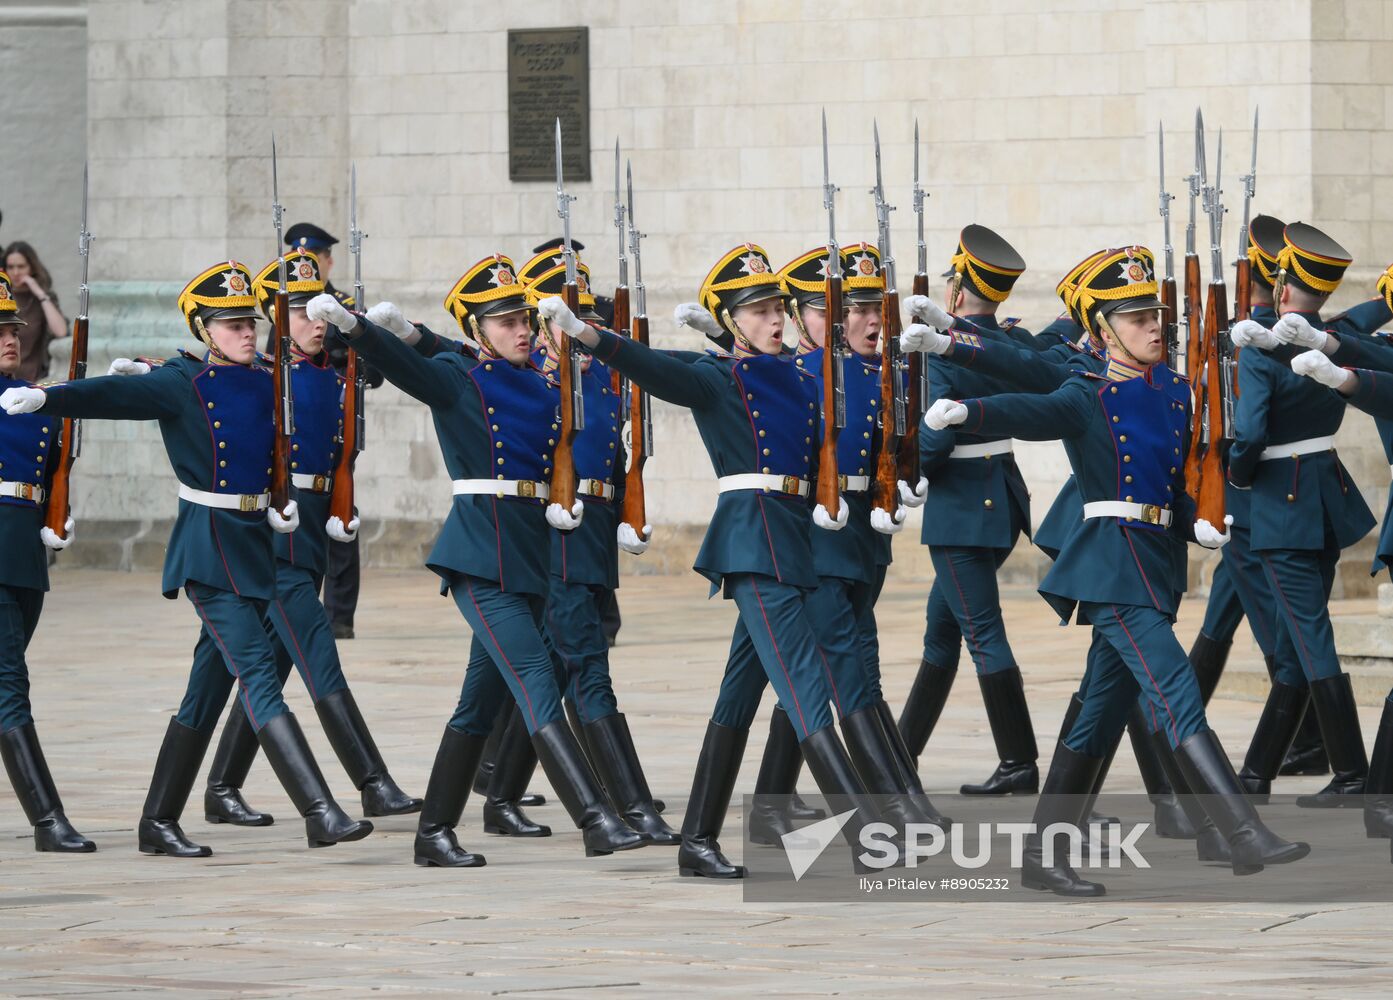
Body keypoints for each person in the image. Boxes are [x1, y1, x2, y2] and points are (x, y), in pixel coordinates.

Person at [922, 245, 1309, 895]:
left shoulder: (1174, 391)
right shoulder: (1086, 392)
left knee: (1096, 717)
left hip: (1156, 562)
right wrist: (968, 404)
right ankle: (1240, 831)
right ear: (1101, 330)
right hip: (1110, 564)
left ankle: (1043, 856)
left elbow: (1174, 483)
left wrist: (1199, 521)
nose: (1152, 326)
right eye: (1133, 319)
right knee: (1175, 689)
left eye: (1155, 314)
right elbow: (1031, 399)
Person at [538, 242, 911, 880]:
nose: (772, 320)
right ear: (732, 322)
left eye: (776, 309)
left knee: (737, 699)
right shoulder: (720, 379)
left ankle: (698, 841)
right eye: (756, 311)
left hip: (797, 540)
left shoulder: (801, 372)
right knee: (806, 687)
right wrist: (594, 340)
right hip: (752, 541)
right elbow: (656, 369)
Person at [1, 260, 374, 857]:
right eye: (230, 325)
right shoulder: (185, 382)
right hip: (208, 546)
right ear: (204, 330)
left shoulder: (266, 377)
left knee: (206, 691)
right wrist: (46, 398)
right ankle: (319, 809)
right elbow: (114, 396)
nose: (246, 333)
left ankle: (158, 820)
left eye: (249, 323)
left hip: (254, 543)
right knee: (257, 672)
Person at [307, 254, 650, 867]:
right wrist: (359, 329)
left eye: (523, 318)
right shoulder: (459, 382)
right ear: (476, 334)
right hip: (482, 557)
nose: (520, 330)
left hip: (534, 558)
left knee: (476, 708)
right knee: (539, 681)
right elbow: (408, 366)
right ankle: (596, 818)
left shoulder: (548, 383)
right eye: (502, 322)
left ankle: (434, 832)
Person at [190, 249, 420, 828]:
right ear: (274, 317)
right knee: (315, 648)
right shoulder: (265, 381)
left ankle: (219, 788)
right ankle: (372, 782)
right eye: (299, 313)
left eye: (321, 311)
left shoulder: (326, 373)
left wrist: (364, 336)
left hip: (313, 527)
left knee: (239, 671)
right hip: (273, 536)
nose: (316, 323)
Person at [0, 268, 94, 852]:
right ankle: (47, 819)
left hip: (26, 557)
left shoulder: (33, 401)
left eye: (12, 327)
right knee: (11, 685)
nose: (10, 337)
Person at [2, 242, 68, 382]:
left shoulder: (43, 298)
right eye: (11, 267)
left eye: (21, 266)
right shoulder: (3, 298)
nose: (15, 272)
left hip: (34, 379)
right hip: (5, 376)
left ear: (32, 268)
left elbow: (61, 331)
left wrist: (38, 292)